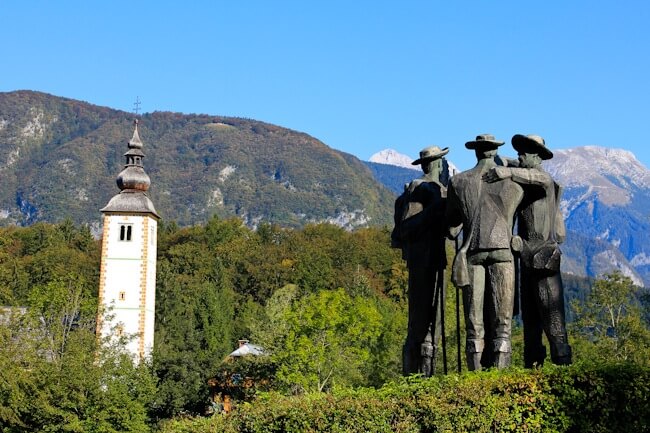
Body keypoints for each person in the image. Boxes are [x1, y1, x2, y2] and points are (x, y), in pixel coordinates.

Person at [484, 134, 572, 367]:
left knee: (553, 320)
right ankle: (533, 370)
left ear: (537, 156)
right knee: (531, 323)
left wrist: (508, 172)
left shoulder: (544, 181)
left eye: (524, 153)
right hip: (527, 259)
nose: (520, 157)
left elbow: (536, 176)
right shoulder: (531, 183)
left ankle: (563, 368)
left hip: (543, 258)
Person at [446, 134, 523, 370]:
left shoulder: (459, 181)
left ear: (477, 151)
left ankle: (475, 377)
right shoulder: (513, 183)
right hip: (503, 249)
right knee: (503, 321)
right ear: (494, 151)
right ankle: (500, 374)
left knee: (474, 320)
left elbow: (451, 229)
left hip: (473, 250)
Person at [392, 145, 448, 376]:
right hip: (421, 260)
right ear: (435, 164)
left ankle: (427, 376)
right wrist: (434, 211)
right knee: (419, 321)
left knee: (434, 322)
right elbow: (405, 228)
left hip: (435, 259)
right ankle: (414, 376)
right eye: (441, 162)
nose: (444, 166)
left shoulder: (440, 189)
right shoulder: (419, 189)